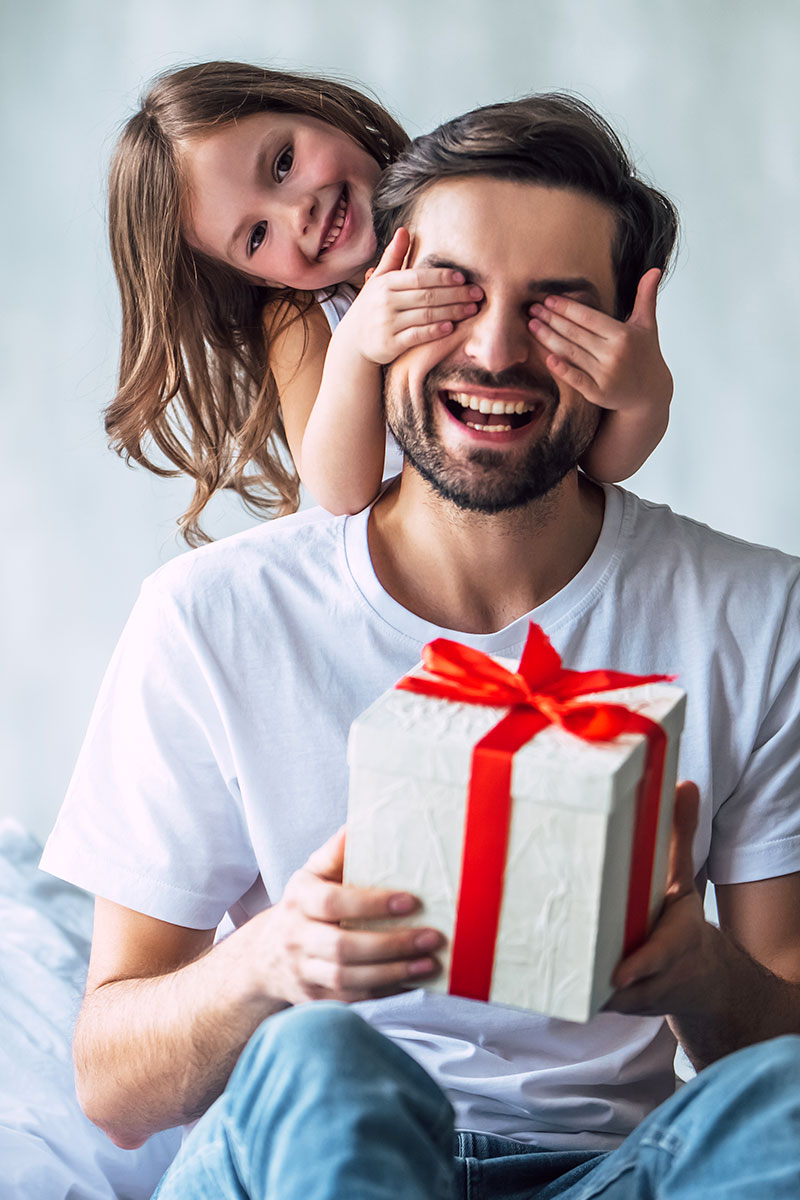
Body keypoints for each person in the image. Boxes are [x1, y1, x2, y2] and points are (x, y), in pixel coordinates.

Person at [42, 95, 800, 1198]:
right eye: (449, 296)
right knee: (321, 1060)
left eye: (553, 309)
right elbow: (111, 1090)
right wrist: (270, 961)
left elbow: (776, 1029)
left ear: (624, 330)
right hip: (315, 1139)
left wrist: (697, 970)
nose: (492, 351)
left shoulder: (756, 612)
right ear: (376, 306)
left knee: (777, 1105)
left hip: (606, 1169)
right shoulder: (210, 618)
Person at [106, 61, 673, 542]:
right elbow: (342, 492)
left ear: (321, 111)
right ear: (247, 277)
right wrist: (355, 348)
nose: (295, 213)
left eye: (283, 164)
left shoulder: (461, 210)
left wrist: (644, 397)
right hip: (405, 565)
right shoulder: (305, 321)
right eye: (256, 236)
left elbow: (599, 466)